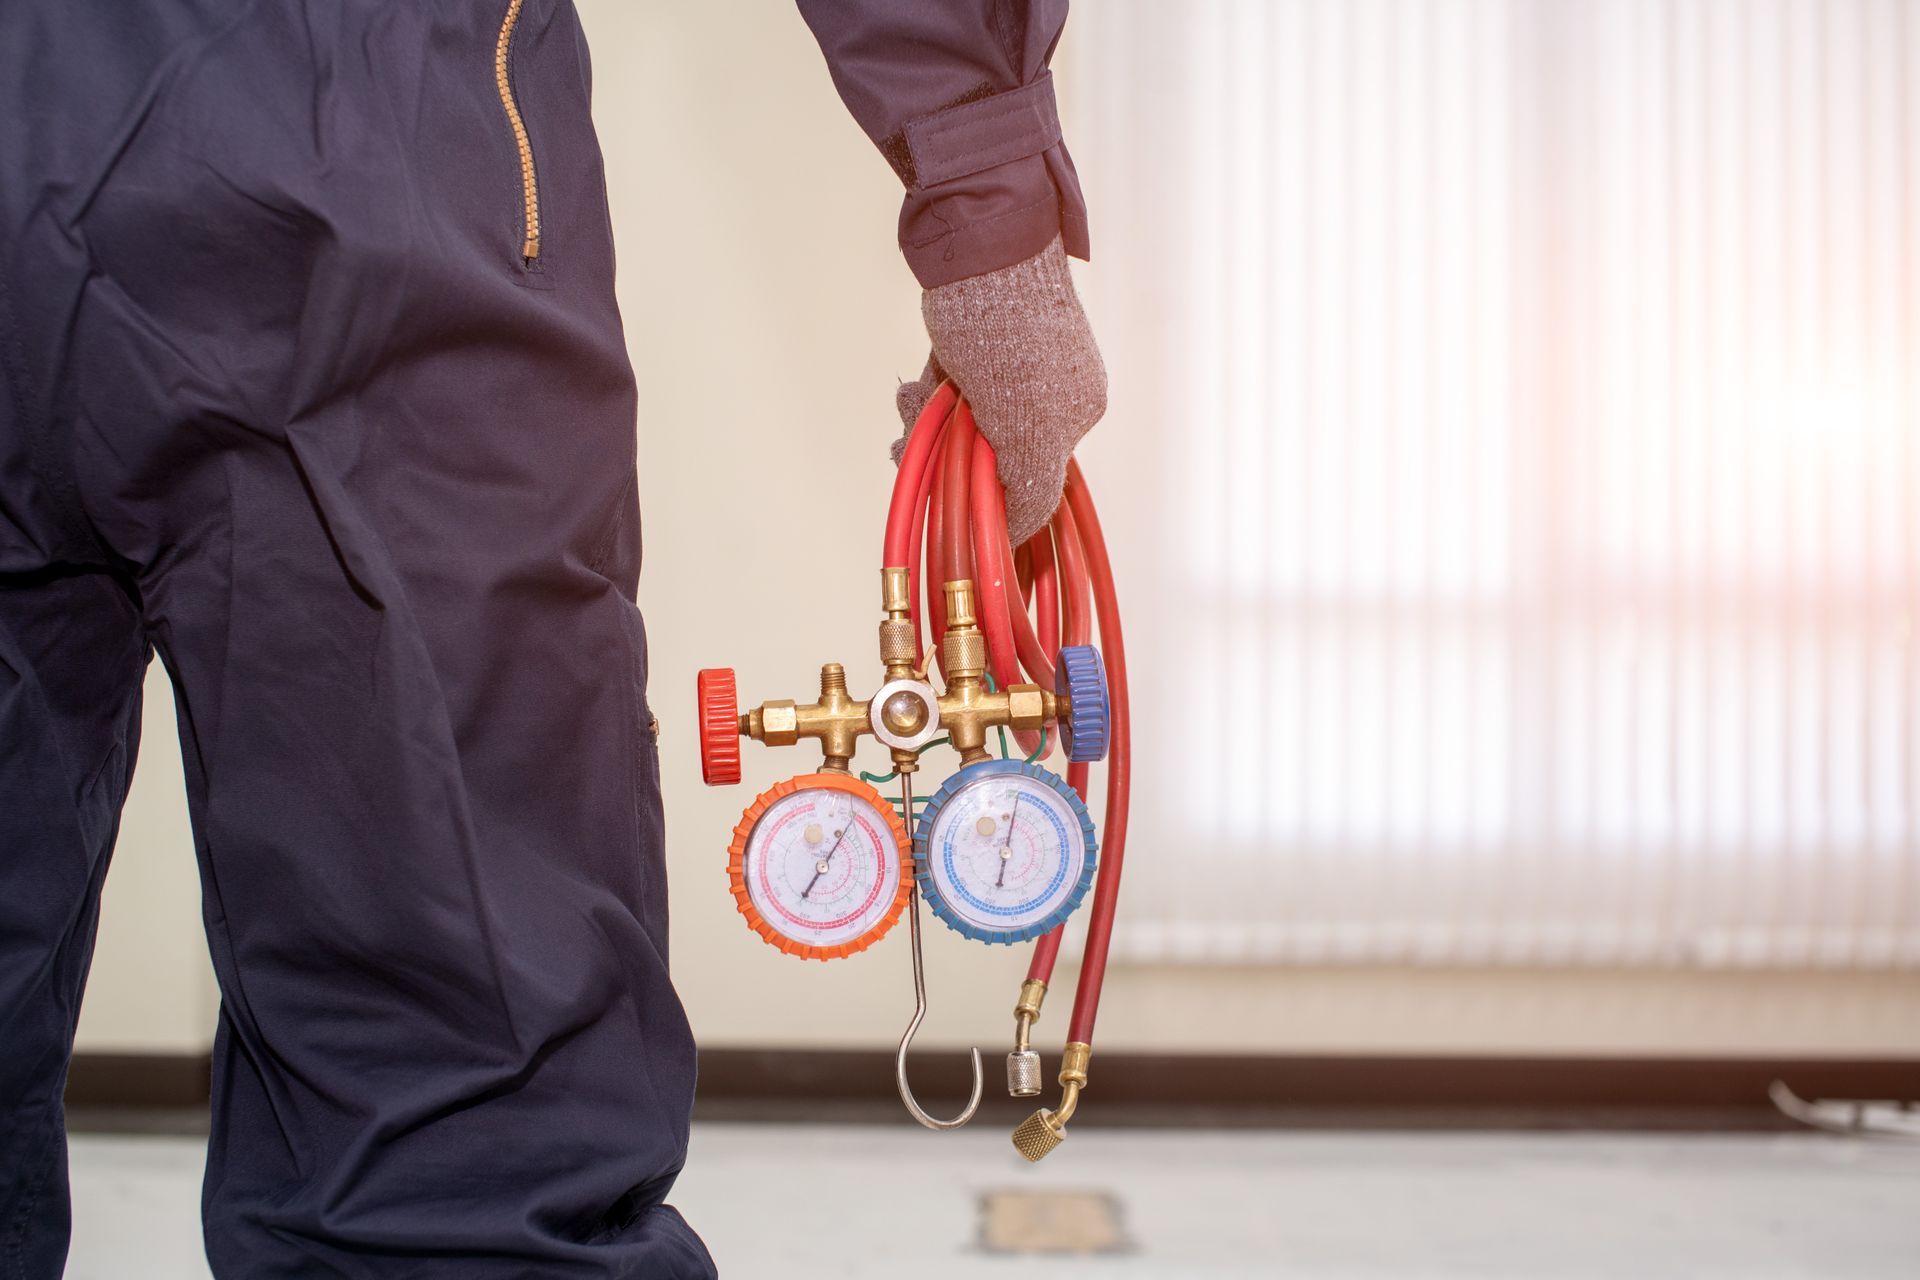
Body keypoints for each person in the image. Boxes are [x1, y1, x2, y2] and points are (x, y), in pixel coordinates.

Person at [0, 0, 1104, 1275]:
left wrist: (983, 179)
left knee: (457, 1102)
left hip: (351, 172)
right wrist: (984, 181)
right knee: (456, 1134)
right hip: (358, 170)